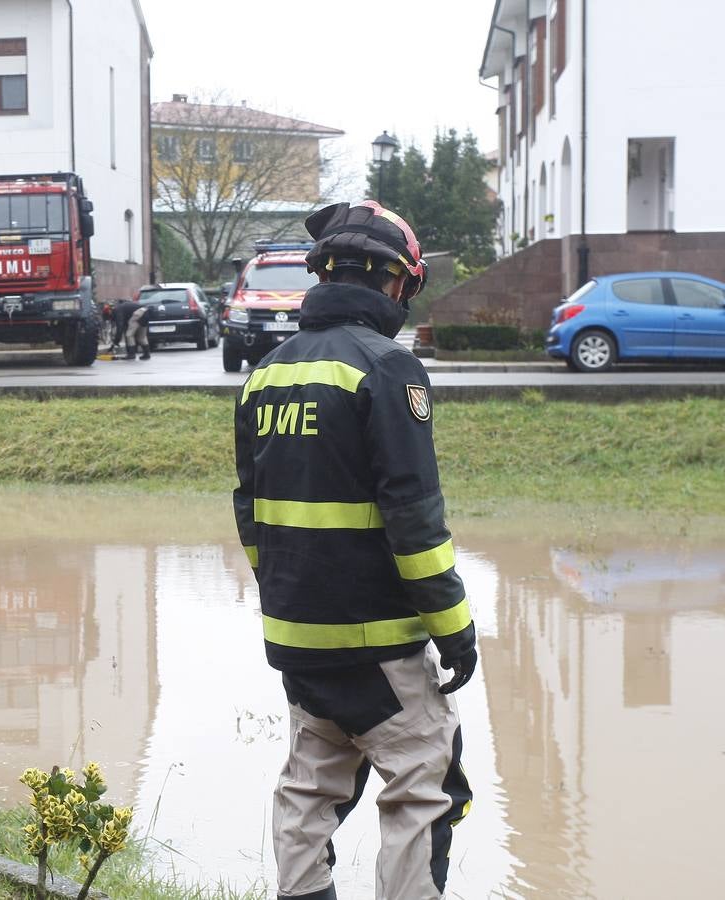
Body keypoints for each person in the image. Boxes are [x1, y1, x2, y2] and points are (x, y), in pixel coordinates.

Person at [232, 200, 478, 900]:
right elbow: (414, 522)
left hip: (296, 637)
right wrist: (454, 629)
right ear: (393, 282)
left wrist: (289, 597)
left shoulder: (266, 374)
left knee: (310, 792)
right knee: (424, 784)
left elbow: (250, 515)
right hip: (379, 644)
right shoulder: (389, 369)